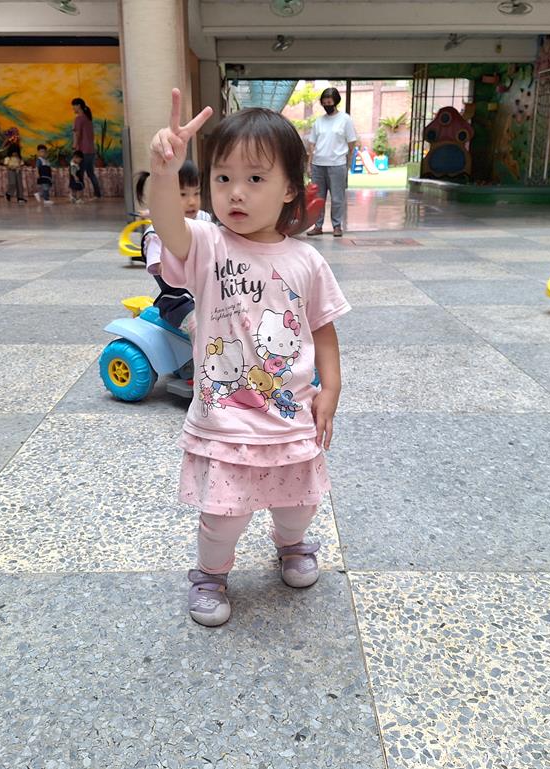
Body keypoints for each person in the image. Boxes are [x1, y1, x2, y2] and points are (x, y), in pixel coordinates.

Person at [149, 89, 350, 628]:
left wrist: (331, 389)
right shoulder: (207, 246)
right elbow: (167, 225)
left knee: (299, 502)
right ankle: (210, 575)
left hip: (290, 415)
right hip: (227, 418)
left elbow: (323, 329)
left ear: (290, 189)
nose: (236, 192)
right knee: (223, 515)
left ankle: (292, 544)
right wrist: (163, 175)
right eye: (223, 178)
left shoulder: (306, 260)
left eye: (255, 178)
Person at [135, 160, 210, 330]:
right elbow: (160, 267)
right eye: (182, 194)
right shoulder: (157, 234)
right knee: (197, 324)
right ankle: (202, 345)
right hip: (179, 298)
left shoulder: (203, 219)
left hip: (207, 289)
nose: (192, 201)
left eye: (196, 193)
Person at [305, 87, 356, 238]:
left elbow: (351, 143)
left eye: (329, 102)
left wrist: (347, 163)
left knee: (337, 198)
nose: (327, 105)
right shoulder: (319, 121)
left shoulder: (345, 119)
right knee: (318, 198)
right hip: (318, 165)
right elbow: (312, 144)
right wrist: (309, 164)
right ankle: (317, 226)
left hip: (337, 165)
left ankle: (337, 226)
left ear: (336, 102)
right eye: (324, 103)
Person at [71, 97, 102, 198]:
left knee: (79, 174)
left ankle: (78, 196)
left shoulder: (78, 119)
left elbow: (77, 135)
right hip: (91, 151)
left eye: (74, 106)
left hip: (82, 151)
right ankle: (98, 194)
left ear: (79, 106)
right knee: (91, 173)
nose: (73, 108)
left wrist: (74, 146)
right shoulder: (88, 118)